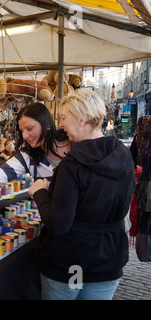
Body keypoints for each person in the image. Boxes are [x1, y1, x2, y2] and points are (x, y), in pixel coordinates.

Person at [28, 88, 135, 300]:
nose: (60, 124)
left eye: (64, 117)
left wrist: (40, 192)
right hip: (107, 261)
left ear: (82, 119)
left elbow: (58, 224)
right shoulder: (123, 155)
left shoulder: (72, 165)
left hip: (70, 263)